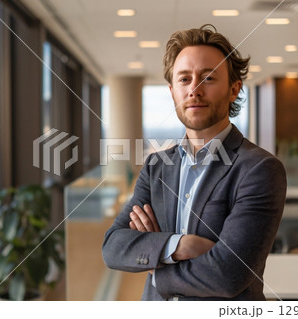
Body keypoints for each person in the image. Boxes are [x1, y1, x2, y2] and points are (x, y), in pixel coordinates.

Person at [102, 24, 287, 301]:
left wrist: (157, 266)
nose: (194, 90)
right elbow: (113, 246)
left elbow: (228, 275)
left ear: (234, 89)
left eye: (208, 78)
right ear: (172, 91)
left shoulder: (259, 169)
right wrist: (179, 245)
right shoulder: (156, 166)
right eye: (184, 79)